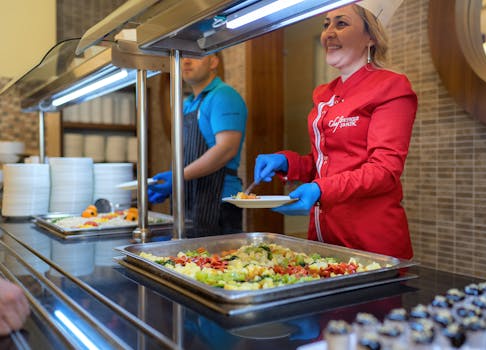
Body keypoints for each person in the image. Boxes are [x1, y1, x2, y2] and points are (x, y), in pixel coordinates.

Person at [253, 0, 417, 260]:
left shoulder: (391, 86)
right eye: (326, 24)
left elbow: (385, 170)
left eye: (341, 23)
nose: (329, 33)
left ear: (370, 37)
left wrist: (320, 189)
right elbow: (326, 164)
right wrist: (288, 162)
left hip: (369, 242)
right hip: (322, 238)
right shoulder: (324, 94)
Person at [148, 52, 247, 238]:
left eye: (195, 55)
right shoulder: (187, 104)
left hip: (218, 202)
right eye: (183, 55)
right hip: (190, 201)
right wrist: (173, 186)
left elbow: (226, 149)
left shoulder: (224, 96)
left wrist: (178, 177)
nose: (185, 61)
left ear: (213, 61)